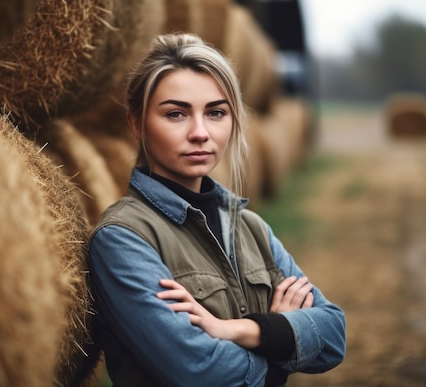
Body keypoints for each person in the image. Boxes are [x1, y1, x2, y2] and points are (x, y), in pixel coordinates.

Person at [89, 33, 345, 387]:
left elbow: (334, 334)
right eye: (176, 114)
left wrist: (242, 330)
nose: (200, 132)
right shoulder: (123, 239)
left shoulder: (251, 228)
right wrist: (281, 346)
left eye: (216, 113)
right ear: (136, 123)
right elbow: (201, 371)